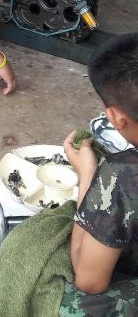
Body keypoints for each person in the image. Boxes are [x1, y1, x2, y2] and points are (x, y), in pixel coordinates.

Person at [60, 32, 138, 314]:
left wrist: (89, 177)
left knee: (75, 303)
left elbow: (89, 281)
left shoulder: (122, 174)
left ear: (116, 118)